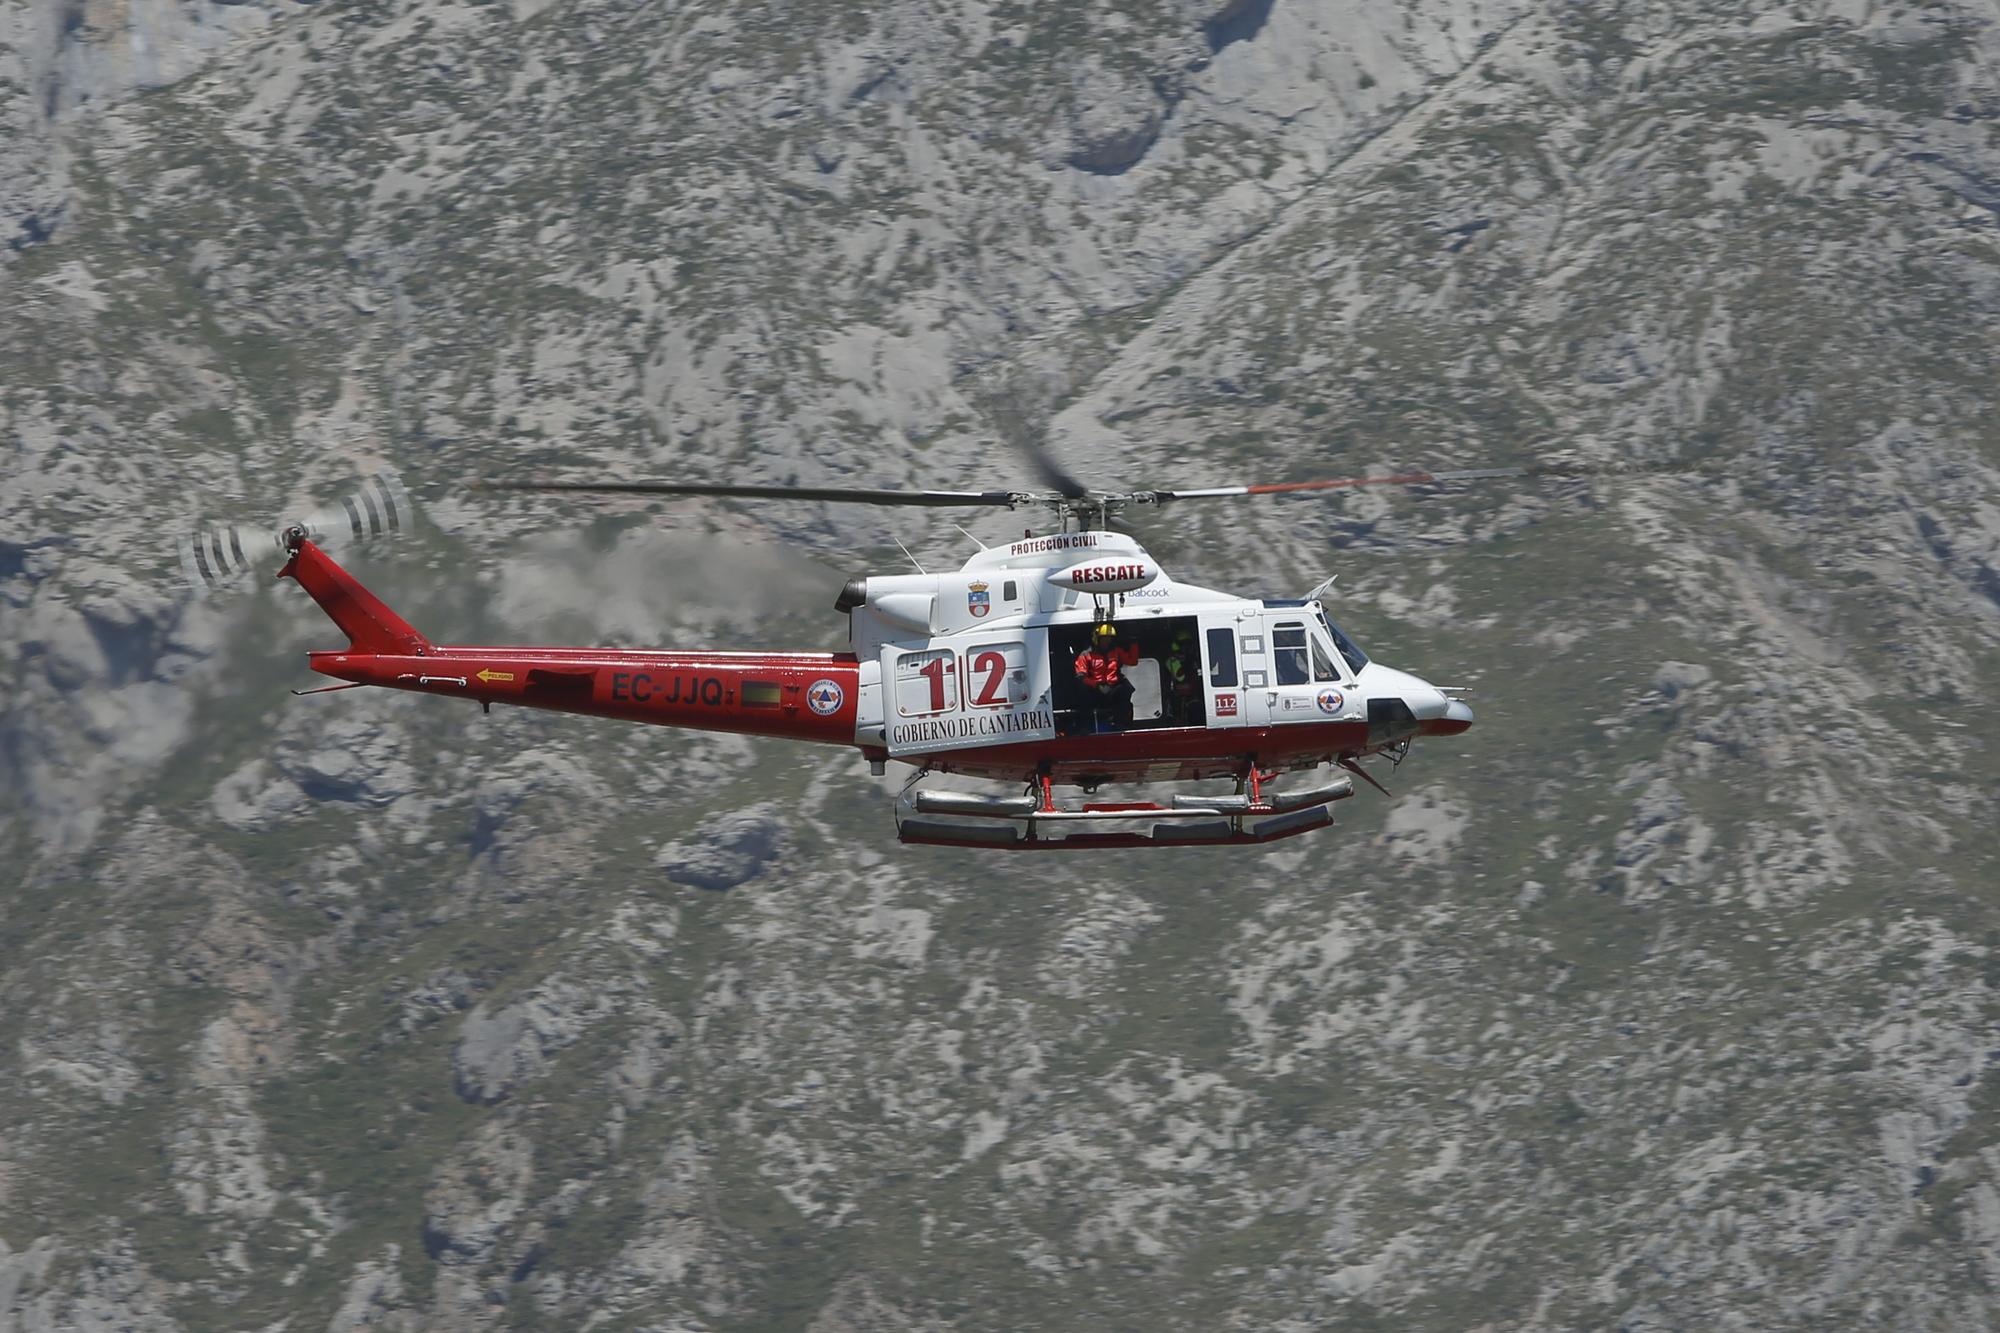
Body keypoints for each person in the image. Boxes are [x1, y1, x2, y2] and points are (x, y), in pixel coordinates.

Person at [1073, 623, 1133, 731]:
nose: (1107, 641)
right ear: (1097, 638)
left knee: (1126, 689)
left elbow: (1132, 661)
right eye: (1104, 638)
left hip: (1112, 689)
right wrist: (1097, 685)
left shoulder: (1116, 651)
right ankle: (1085, 727)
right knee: (1082, 693)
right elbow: (1080, 676)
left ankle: (1121, 724)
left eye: (1109, 638)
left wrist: (1134, 642)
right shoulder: (1086, 655)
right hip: (1094, 691)